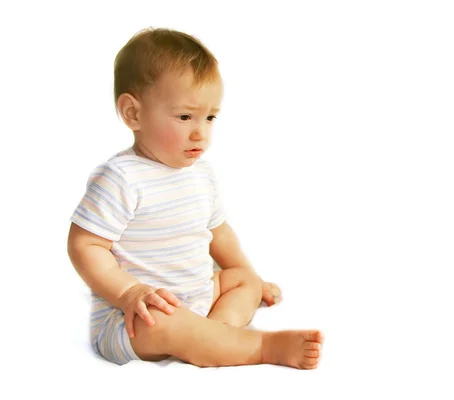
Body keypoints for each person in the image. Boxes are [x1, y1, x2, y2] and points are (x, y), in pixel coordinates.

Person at [67, 27, 323, 369]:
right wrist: (128, 293)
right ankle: (257, 347)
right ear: (133, 113)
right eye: (185, 116)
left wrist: (250, 276)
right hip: (136, 317)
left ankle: (217, 334)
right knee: (163, 320)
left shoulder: (201, 174)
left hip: (200, 297)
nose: (200, 131)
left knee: (243, 279)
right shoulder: (121, 178)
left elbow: (219, 233)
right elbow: (85, 245)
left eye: (210, 117)